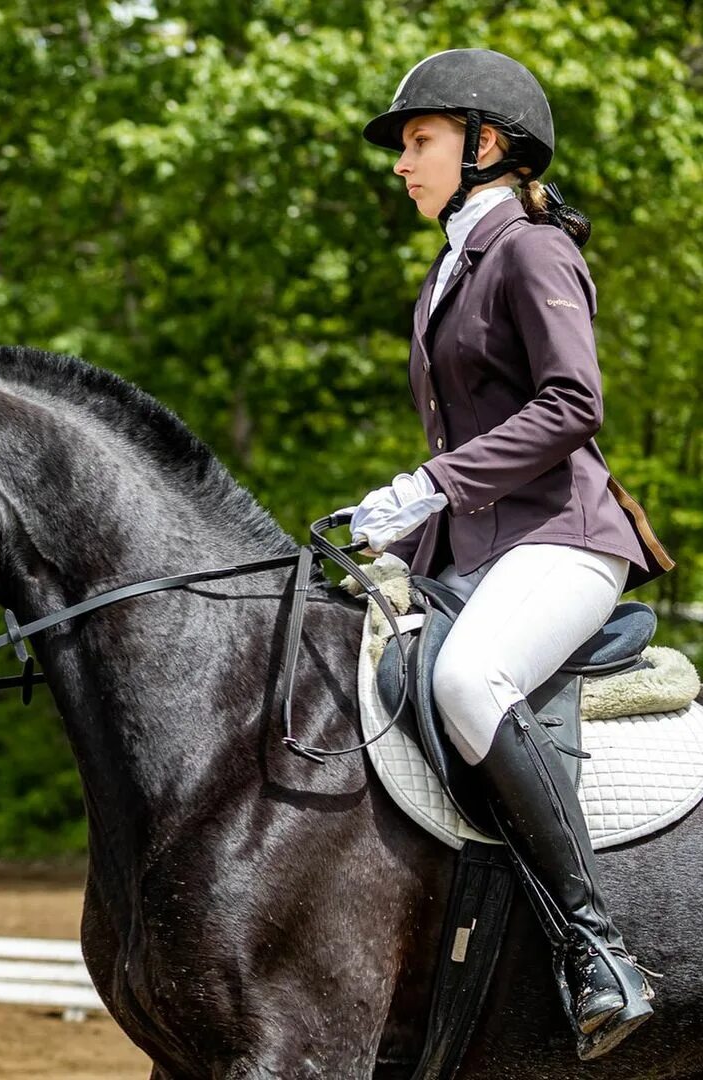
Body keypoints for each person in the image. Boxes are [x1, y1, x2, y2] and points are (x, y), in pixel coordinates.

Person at [353, 48, 675, 1060]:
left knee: (467, 677)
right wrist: (394, 525)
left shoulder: (529, 249)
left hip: (563, 542)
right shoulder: (451, 266)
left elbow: (574, 404)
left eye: (420, 141)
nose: (402, 163)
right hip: (481, 547)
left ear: (485, 146)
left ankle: (599, 949)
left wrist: (432, 485)